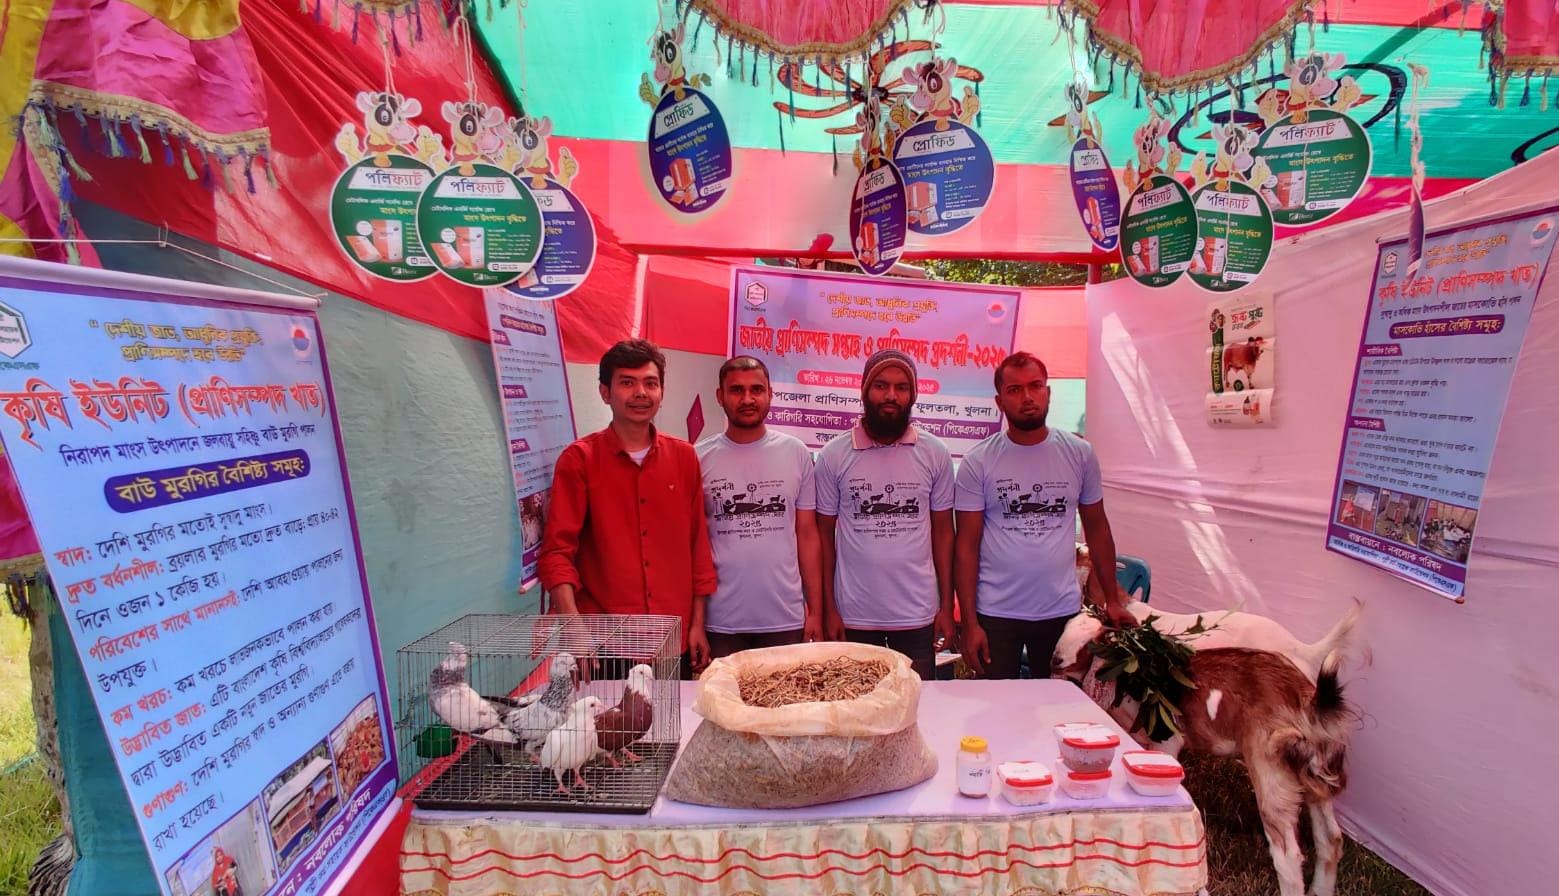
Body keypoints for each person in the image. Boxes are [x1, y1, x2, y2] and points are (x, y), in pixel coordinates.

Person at [537, 339, 717, 677]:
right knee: (604, 714)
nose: (641, 393)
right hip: (602, 643)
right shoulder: (580, 460)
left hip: (670, 639)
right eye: (627, 383)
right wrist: (574, 628)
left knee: (671, 713)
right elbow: (557, 552)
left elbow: (697, 545)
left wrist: (697, 623)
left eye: (650, 383)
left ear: (661, 391)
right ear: (605, 392)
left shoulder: (684, 457)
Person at [954, 351, 1133, 679]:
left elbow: (1097, 528)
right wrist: (969, 622)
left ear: (1048, 392)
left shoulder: (1079, 454)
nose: (1027, 397)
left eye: (1035, 386)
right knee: (998, 704)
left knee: (1059, 704)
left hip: (1060, 612)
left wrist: (1112, 600)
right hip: (996, 614)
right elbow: (965, 547)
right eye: (1015, 390)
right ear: (999, 401)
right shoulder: (978, 462)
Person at [816, 349, 956, 680]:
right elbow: (822, 537)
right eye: (881, 385)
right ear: (865, 390)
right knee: (857, 705)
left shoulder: (935, 454)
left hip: (918, 616)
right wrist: (828, 609)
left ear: (913, 395)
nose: (891, 395)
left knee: (917, 703)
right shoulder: (834, 455)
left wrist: (947, 606)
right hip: (853, 617)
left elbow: (943, 534)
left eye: (901, 387)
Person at [696, 356, 824, 656]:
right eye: (736, 390)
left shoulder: (796, 453)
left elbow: (807, 536)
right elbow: (694, 547)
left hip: (785, 619)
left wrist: (816, 611)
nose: (747, 399)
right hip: (721, 623)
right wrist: (696, 623)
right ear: (720, 396)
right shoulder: (698, 457)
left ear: (770, 394)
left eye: (756, 390)